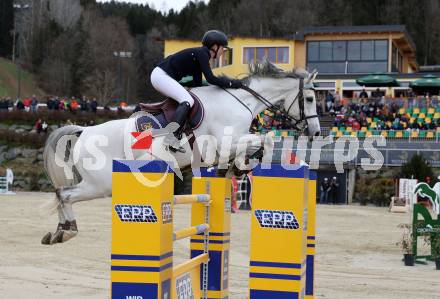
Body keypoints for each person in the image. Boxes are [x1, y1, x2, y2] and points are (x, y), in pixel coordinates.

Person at [150, 30, 243, 152]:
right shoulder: (202, 54)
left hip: (162, 76)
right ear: (215, 47)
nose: (222, 52)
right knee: (187, 100)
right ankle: (171, 138)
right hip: (161, 76)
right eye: (222, 48)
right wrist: (231, 83)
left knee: (188, 99)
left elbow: (198, 84)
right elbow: (211, 79)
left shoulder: (200, 55)